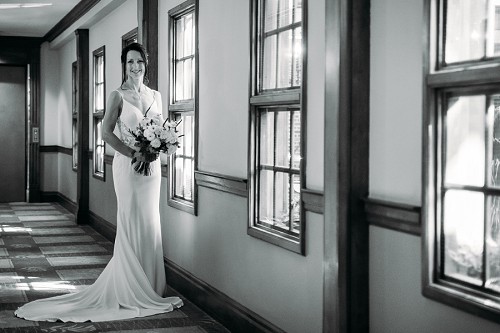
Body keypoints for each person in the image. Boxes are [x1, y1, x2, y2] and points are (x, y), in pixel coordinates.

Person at [14, 43, 183, 322]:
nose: (135, 67)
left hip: (151, 170)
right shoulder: (118, 95)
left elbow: (161, 130)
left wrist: (156, 150)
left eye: (139, 61)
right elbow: (106, 133)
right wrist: (134, 153)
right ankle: (129, 289)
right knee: (130, 222)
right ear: (124, 65)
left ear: (146, 64)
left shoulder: (156, 95)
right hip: (127, 168)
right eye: (130, 62)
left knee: (151, 222)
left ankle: (151, 287)